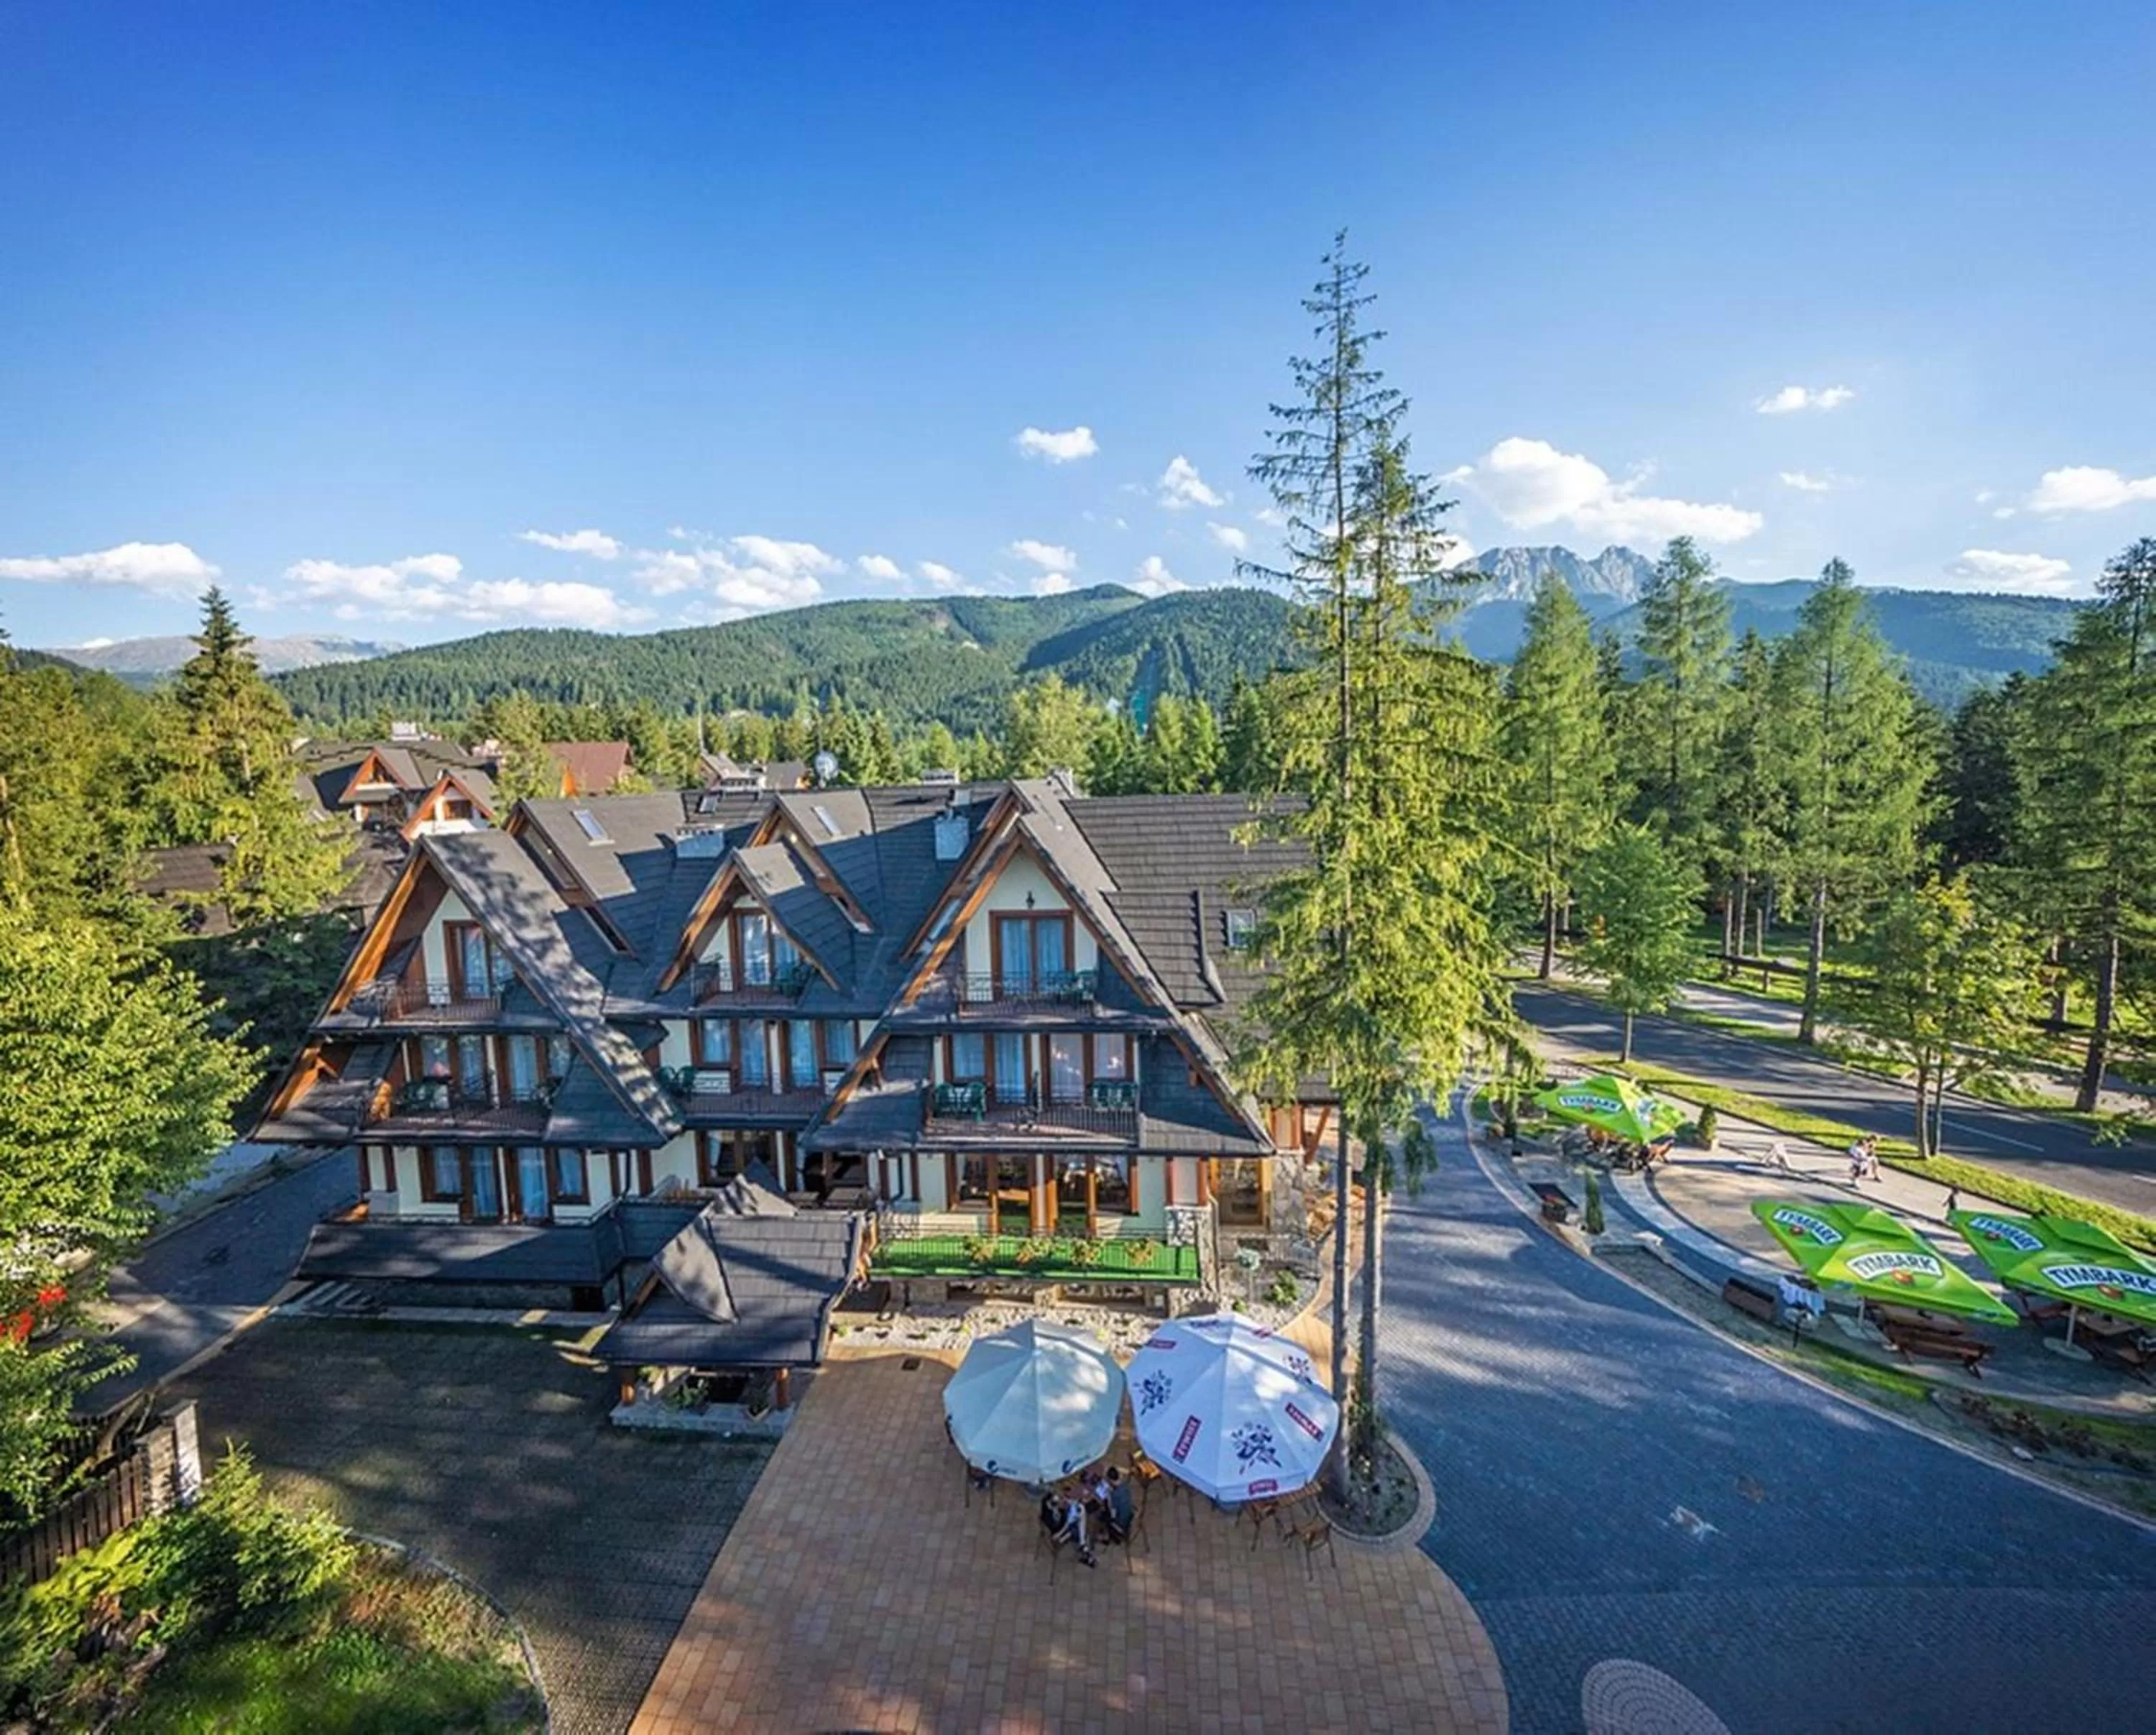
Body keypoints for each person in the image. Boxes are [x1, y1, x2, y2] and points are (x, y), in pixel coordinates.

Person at [1097, 1468, 1134, 1545]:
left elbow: (1113, 1513)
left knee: (1103, 1516)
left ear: (1110, 1480)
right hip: (1129, 1513)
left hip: (1121, 1522)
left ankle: (1107, 1537)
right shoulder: (1124, 1486)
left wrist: (1109, 1496)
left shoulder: (1115, 1495)